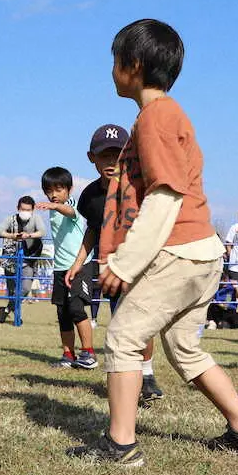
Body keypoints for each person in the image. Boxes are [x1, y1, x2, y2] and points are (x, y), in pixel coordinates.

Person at [69, 18, 238, 466]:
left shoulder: (156, 117)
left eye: (115, 61)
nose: (111, 70)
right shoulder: (166, 115)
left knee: (122, 340)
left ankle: (119, 445)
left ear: (134, 65)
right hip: (202, 252)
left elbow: (165, 195)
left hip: (178, 252)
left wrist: (123, 264)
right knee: (184, 347)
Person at [66, 124, 166, 401]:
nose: (111, 162)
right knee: (121, 322)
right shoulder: (90, 195)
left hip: (141, 265)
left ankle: (146, 375)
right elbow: (93, 230)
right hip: (111, 269)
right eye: (104, 156)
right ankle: (132, 377)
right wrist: (78, 262)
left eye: (117, 155)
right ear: (92, 158)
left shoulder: (139, 187)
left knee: (139, 323)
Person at [36, 167, 97, 369]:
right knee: (62, 313)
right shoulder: (54, 208)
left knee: (76, 308)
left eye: (59, 189)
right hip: (60, 268)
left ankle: (88, 353)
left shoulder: (73, 204)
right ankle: (68, 355)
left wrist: (55, 207)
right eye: (49, 190)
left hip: (80, 265)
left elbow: (70, 212)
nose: (53, 194)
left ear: (69, 189)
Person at [0, 196, 45, 324]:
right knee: (12, 291)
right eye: (22, 209)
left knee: (25, 289)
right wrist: (12, 236)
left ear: (33, 210)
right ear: (18, 208)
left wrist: (29, 235)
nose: (25, 212)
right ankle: (17, 319)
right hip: (11, 260)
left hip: (29, 259)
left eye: (28, 210)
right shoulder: (11, 219)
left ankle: (6, 310)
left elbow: (42, 232)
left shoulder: (36, 218)